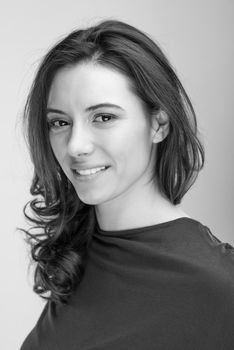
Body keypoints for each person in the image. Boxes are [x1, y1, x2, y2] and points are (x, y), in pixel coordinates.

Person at [19, 19, 234, 350]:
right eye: (60, 122)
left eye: (103, 117)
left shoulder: (218, 286)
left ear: (158, 124)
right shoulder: (80, 251)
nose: (75, 145)